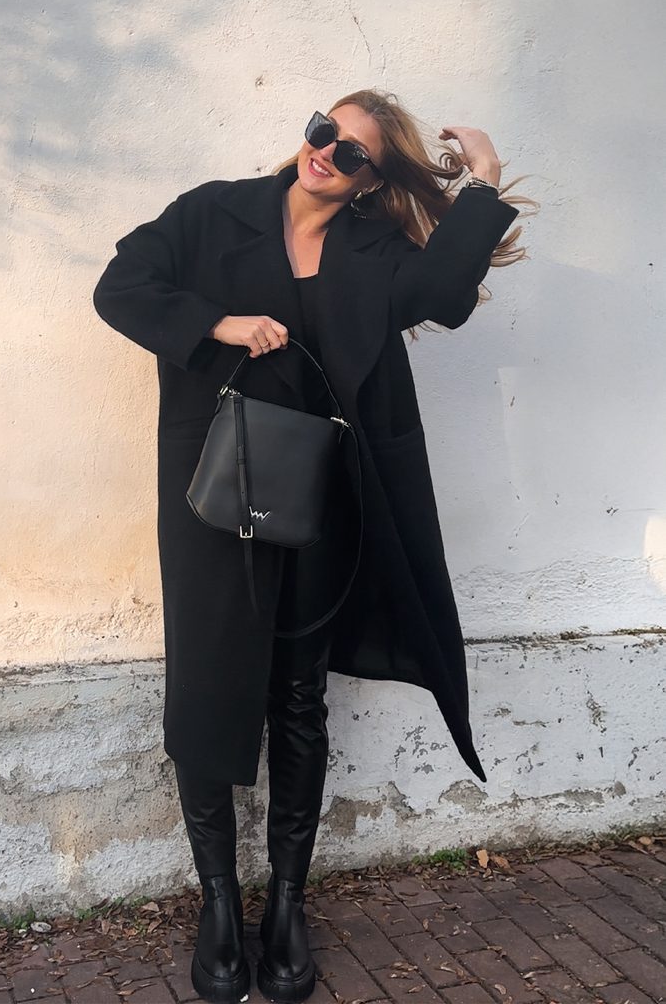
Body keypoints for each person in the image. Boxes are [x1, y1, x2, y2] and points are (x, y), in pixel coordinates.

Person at [93, 88, 531, 1003]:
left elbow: (442, 298)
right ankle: (220, 904)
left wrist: (483, 183)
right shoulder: (213, 212)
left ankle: (286, 905)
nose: (326, 152)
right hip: (215, 493)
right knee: (208, 686)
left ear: (372, 179)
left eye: (353, 151)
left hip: (324, 498)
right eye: (322, 131)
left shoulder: (375, 249)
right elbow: (120, 287)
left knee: (298, 696)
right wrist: (216, 325)